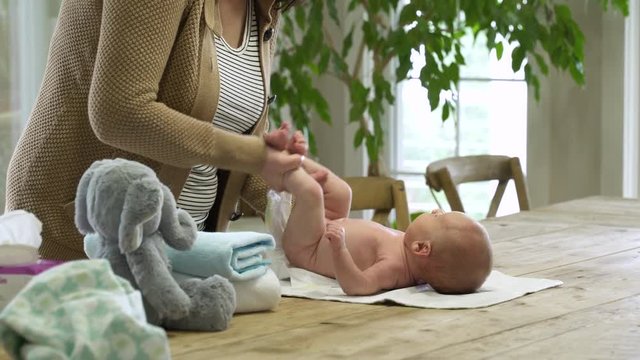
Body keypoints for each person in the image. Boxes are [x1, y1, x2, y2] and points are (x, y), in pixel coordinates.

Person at [4, 0, 303, 260]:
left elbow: (227, 140)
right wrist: (257, 156)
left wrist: (296, 190)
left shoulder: (262, 8)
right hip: (77, 240)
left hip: (175, 250)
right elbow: (119, 111)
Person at [280, 158, 493, 295]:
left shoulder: (394, 268)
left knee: (313, 194)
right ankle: (297, 158)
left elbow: (358, 286)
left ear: (421, 248)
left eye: (439, 217)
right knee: (343, 192)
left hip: (309, 248)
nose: (436, 211)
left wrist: (340, 249)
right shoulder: (406, 245)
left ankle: (278, 164)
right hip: (327, 224)